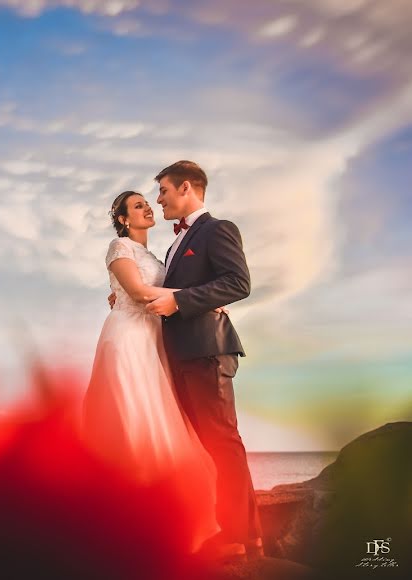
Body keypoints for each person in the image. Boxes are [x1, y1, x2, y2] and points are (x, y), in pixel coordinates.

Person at [81, 190, 219, 554]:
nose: (148, 207)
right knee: (133, 420)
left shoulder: (156, 256)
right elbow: (139, 293)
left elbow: (149, 290)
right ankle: (125, 519)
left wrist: (194, 300)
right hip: (127, 339)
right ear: (124, 219)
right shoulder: (118, 247)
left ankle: (159, 513)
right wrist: (205, 298)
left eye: (148, 202)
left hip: (153, 342)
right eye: (138, 205)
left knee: (158, 418)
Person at [139, 160, 263, 560]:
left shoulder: (217, 229)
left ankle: (237, 537)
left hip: (209, 351)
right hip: (182, 354)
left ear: (186, 187)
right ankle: (247, 535)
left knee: (222, 441)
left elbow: (237, 282)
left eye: (162, 191)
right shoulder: (174, 244)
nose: (158, 200)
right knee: (210, 445)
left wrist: (179, 300)